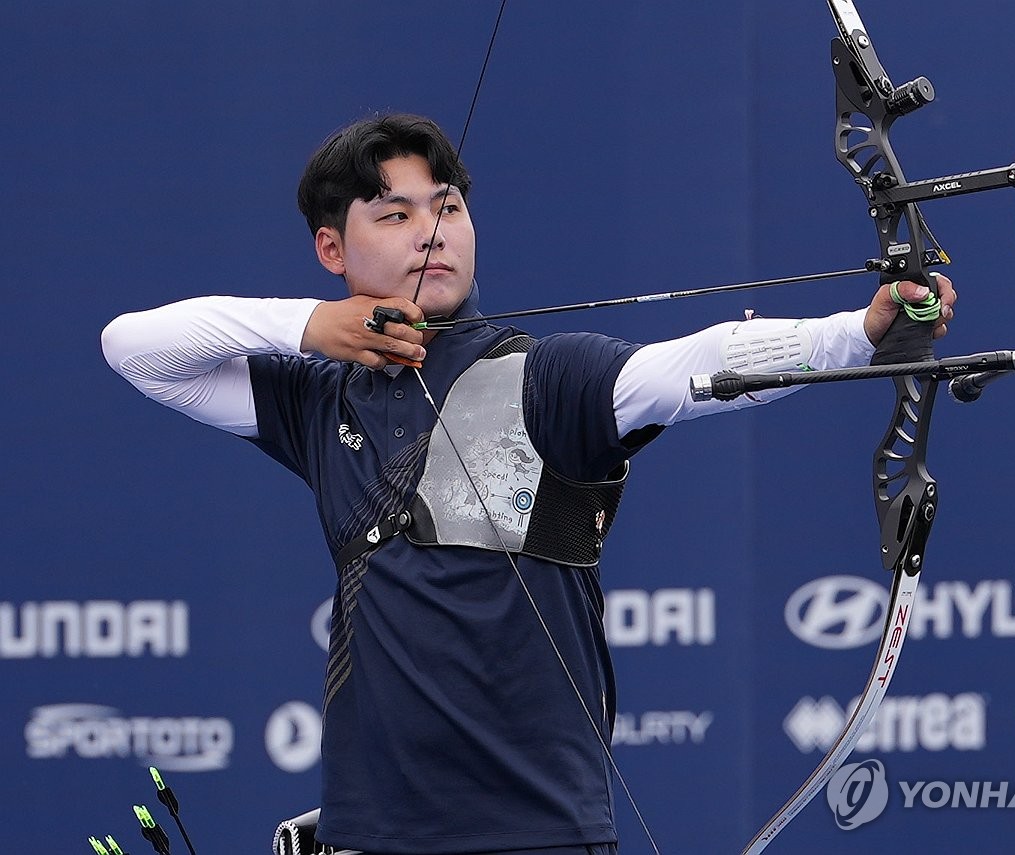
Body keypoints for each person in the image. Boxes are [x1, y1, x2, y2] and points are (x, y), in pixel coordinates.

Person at [101, 113, 955, 855]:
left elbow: (689, 368)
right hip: (373, 830)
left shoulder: (548, 378)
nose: (431, 232)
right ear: (332, 248)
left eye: (448, 207)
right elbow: (133, 347)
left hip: (536, 828)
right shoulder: (319, 400)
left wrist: (858, 332)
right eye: (393, 214)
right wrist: (308, 325)